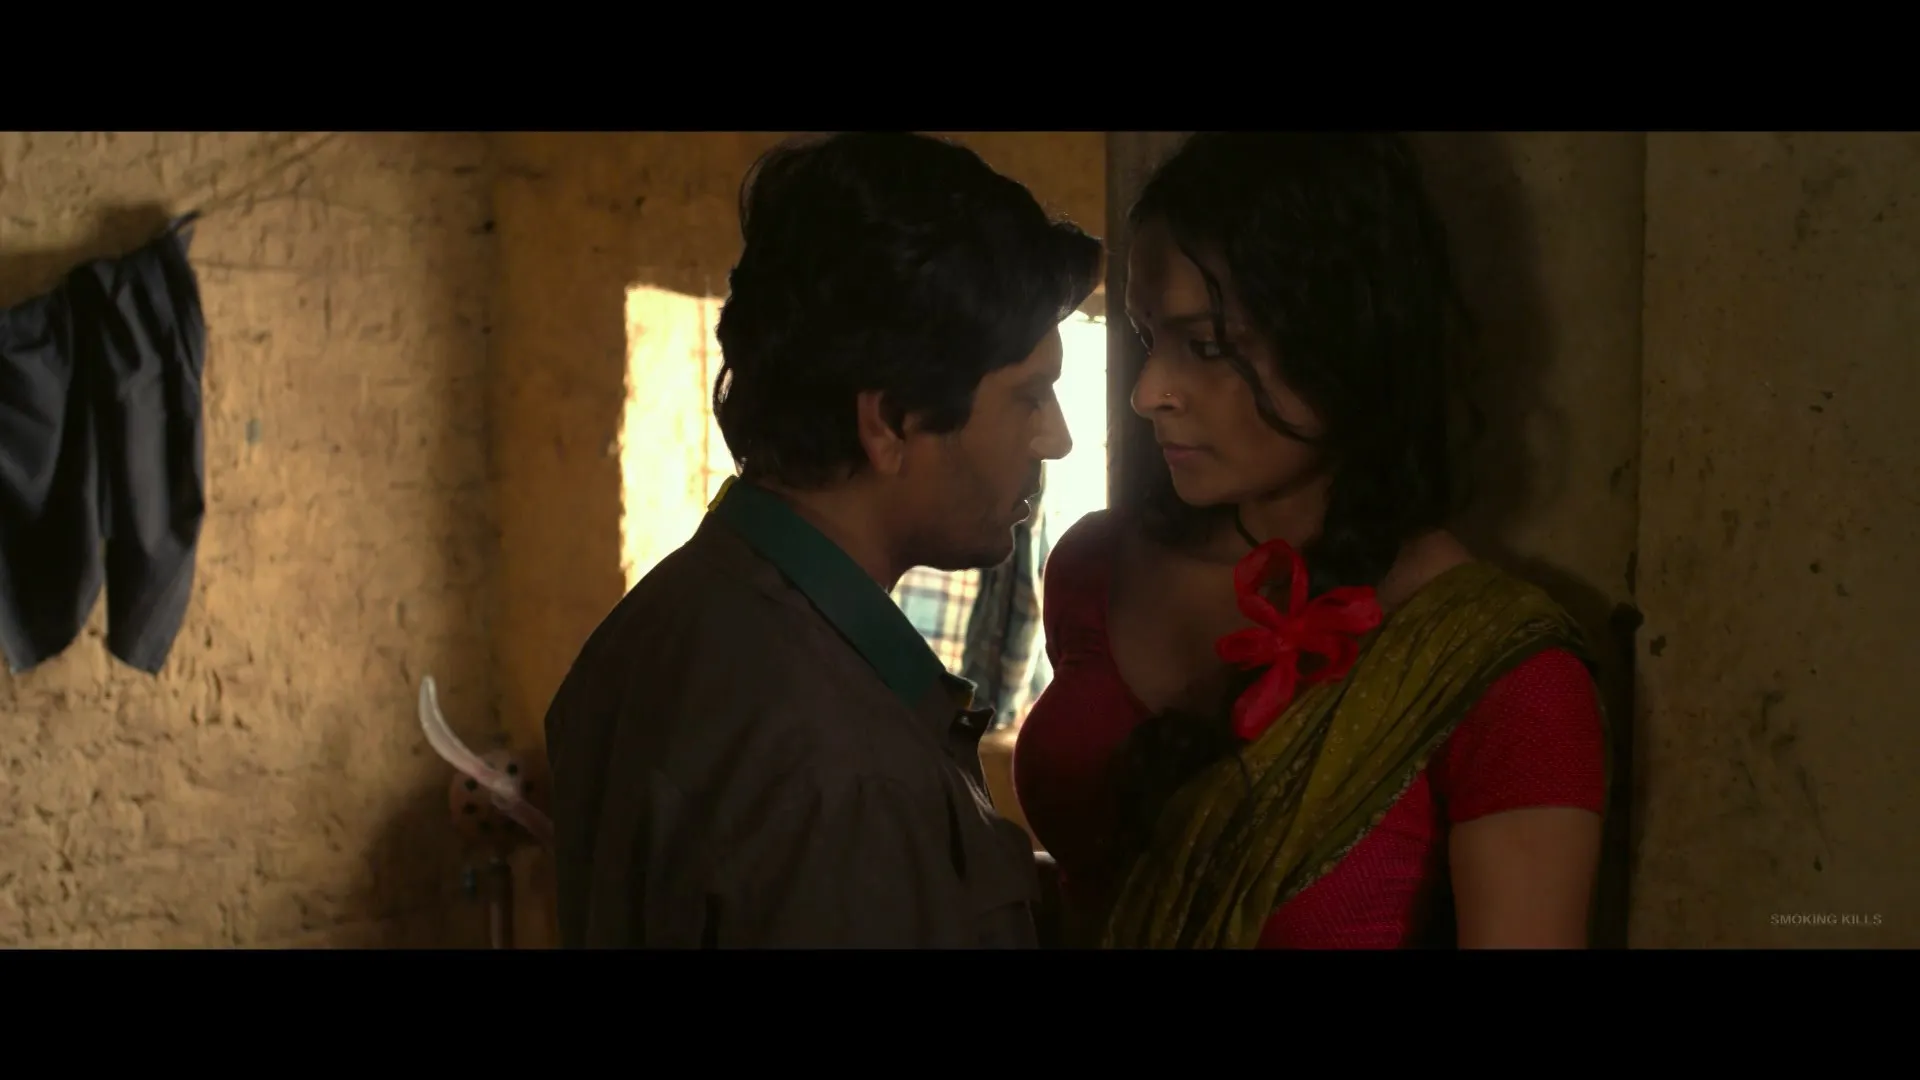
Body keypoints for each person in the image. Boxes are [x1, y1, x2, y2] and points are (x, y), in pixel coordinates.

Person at [1012, 132, 1609, 949]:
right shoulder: (1096, 568)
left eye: (1208, 347)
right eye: (1149, 340)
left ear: (1344, 340)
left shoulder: (1496, 669)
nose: (1150, 393)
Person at [544, 132, 1103, 948]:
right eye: (1030, 396)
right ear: (891, 422)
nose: (1056, 438)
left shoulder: (667, 618)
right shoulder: (846, 772)